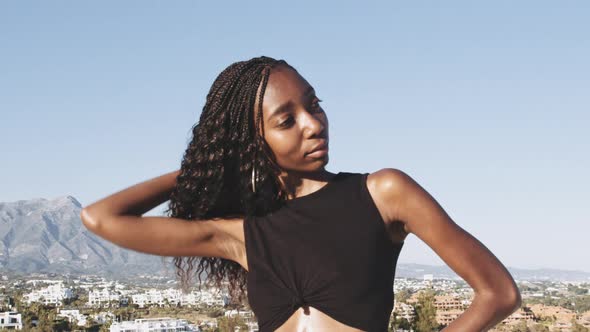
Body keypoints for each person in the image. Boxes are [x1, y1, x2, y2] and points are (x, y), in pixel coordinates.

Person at [81, 56, 521, 331]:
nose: (313, 123)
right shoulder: (243, 233)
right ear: (254, 140)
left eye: (313, 104)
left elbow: (498, 293)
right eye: (286, 120)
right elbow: (101, 218)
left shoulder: (383, 192)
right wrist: (213, 162)